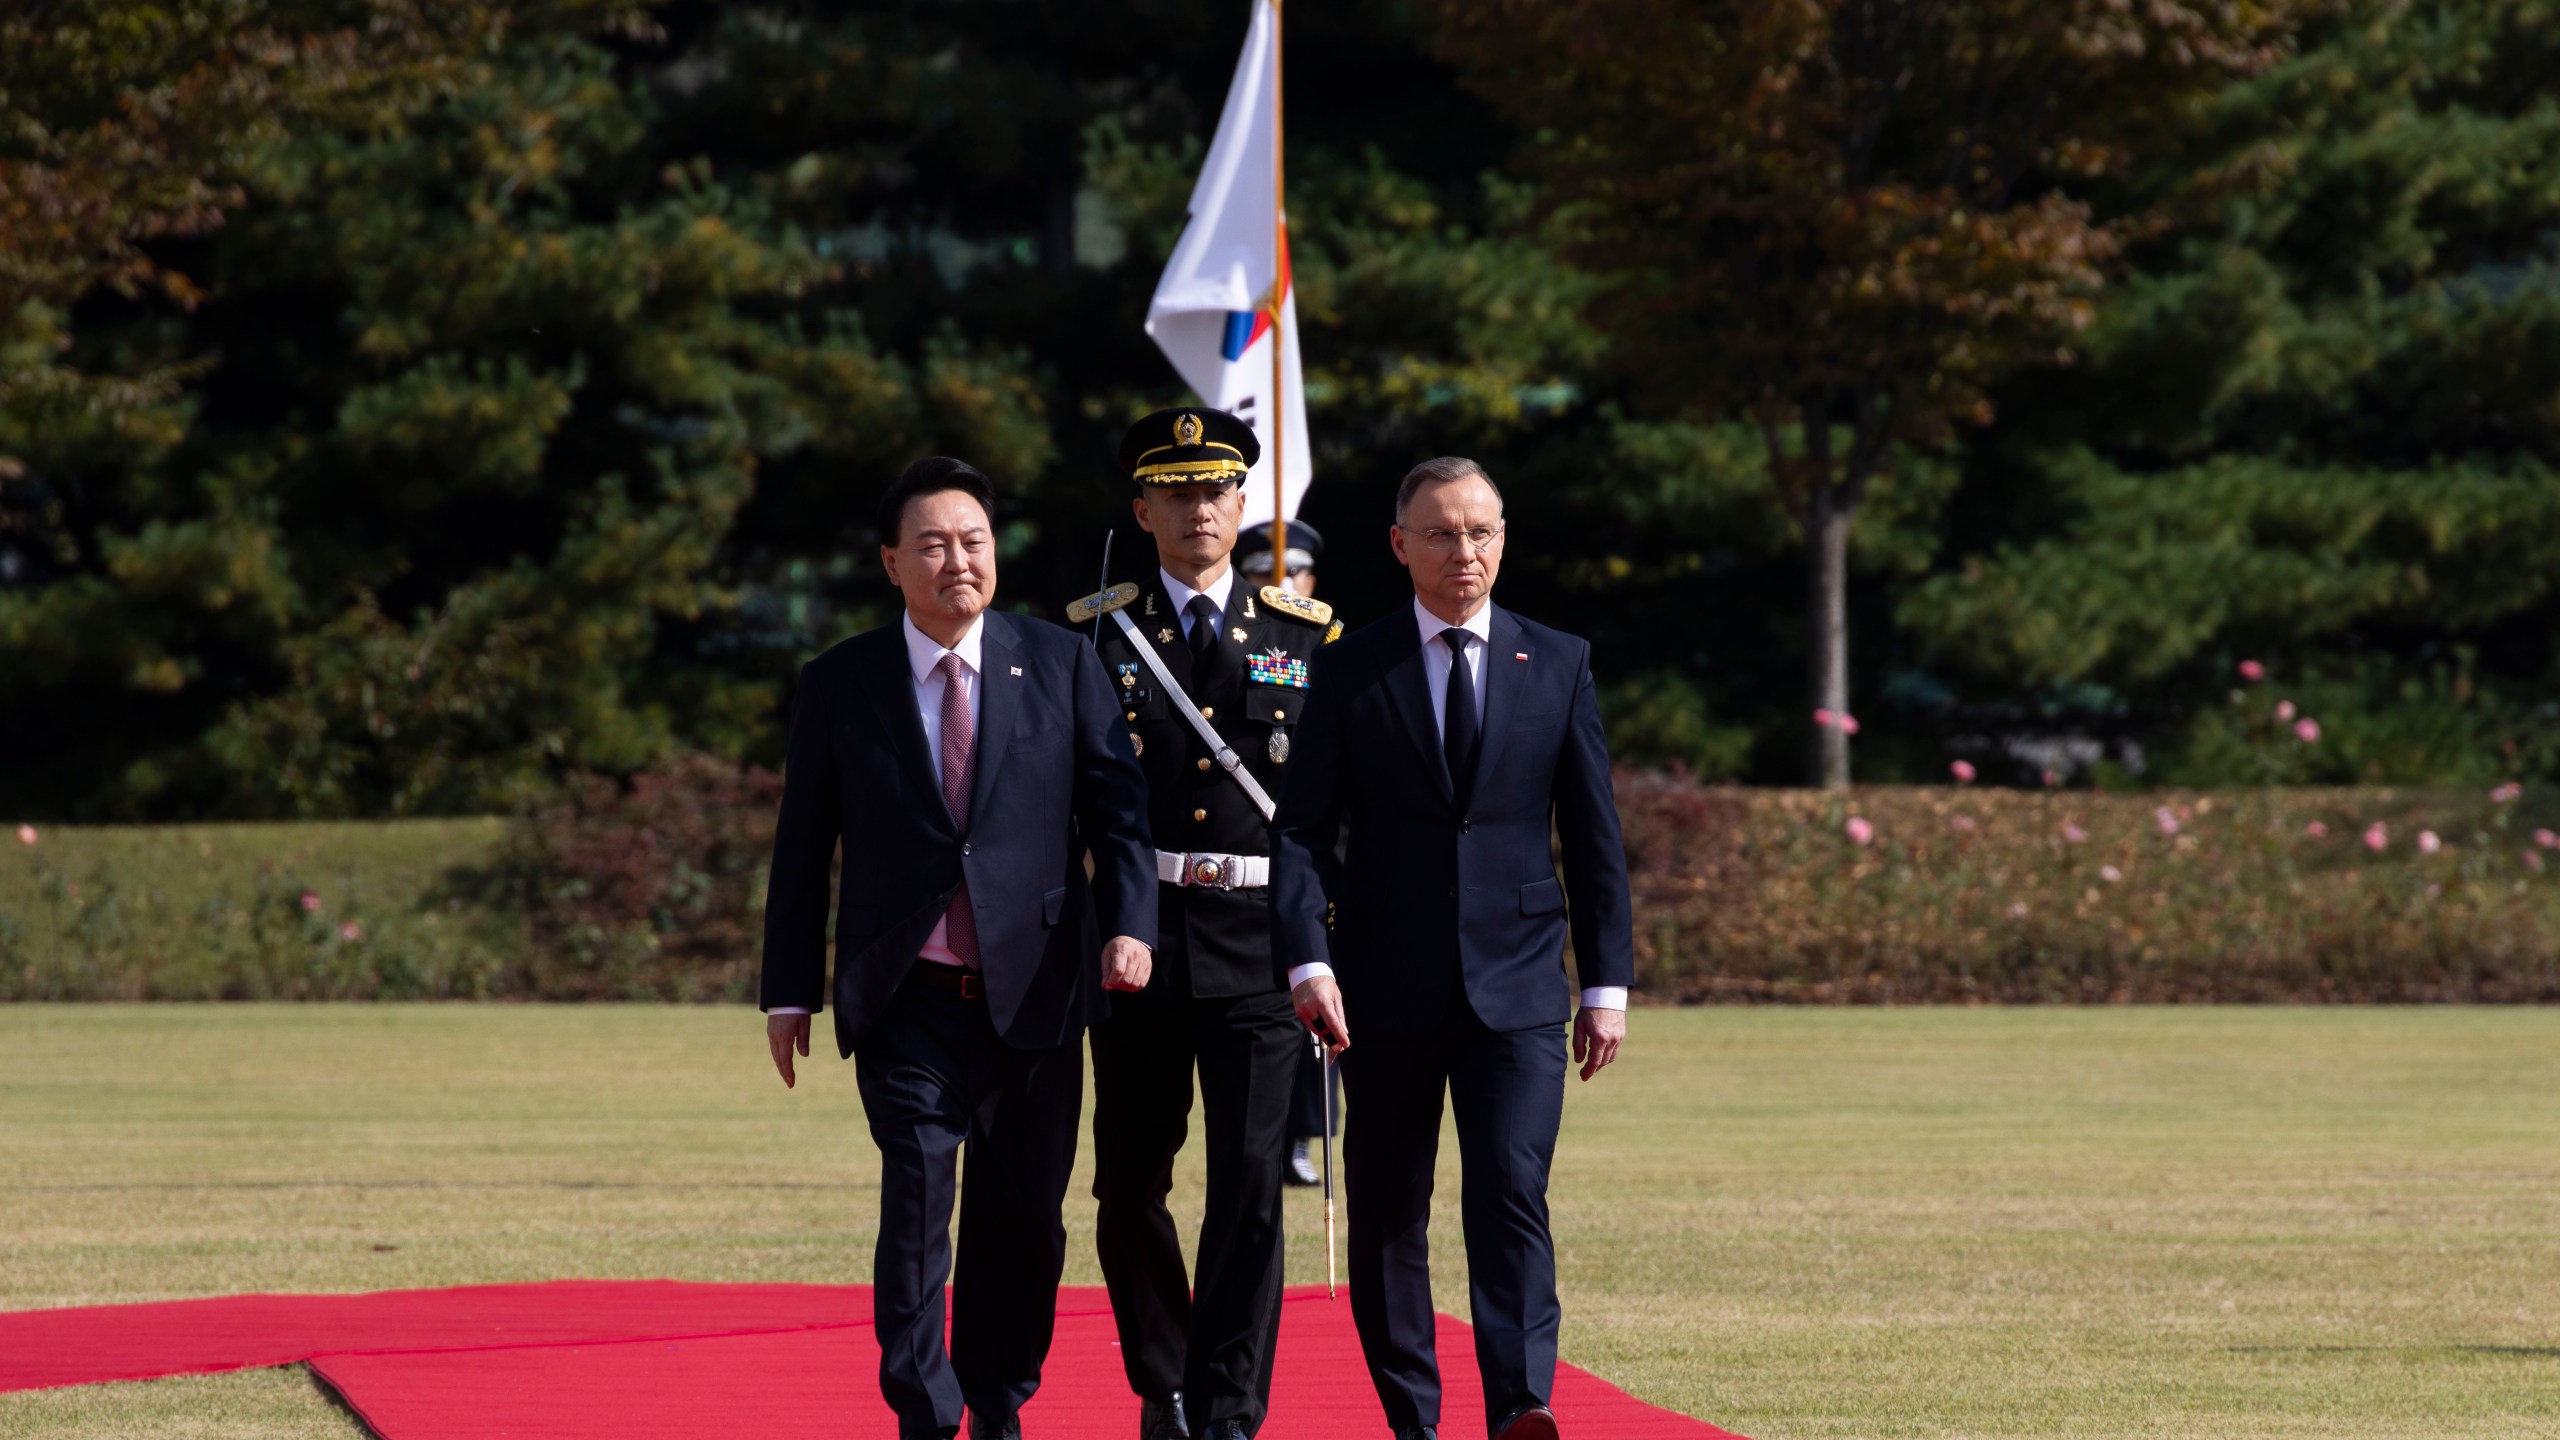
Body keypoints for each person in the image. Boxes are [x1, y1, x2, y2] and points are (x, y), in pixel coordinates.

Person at [760, 456, 1157, 1440]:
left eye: (972, 541)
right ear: (893, 563)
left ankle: (996, 1398)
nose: (956, 561)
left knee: (1026, 1219)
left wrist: (1132, 928)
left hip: (1039, 990)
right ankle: (926, 1412)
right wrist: (786, 992)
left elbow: (1119, 814)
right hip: (908, 993)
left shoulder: (1061, 664)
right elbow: (804, 847)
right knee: (917, 1197)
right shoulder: (841, 682)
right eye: (931, 545)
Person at [1270, 456, 1634, 1440]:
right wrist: (1308, 963)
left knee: (1511, 1190)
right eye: (1440, 533)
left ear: (1503, 538)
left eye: (1480, 531)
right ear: (1399, 547)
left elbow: (1593, 836)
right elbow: (1301, 832)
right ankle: (1413, 1420)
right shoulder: (1351, 667)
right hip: (1380, 989)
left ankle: (1521, 1405)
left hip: (1518, 987)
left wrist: (1606, 984)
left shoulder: (1556, 661)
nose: (1463, 551)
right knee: (1389, 1213)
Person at [1077, 409, 1339, 1440]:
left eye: (1217, 489)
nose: (1199, 509)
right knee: (1127, 1183)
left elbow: (1323, 808)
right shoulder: (1098, 633)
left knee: (1250, 1187)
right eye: (1176, 491)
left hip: (1259, 940)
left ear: (1244, 504)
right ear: (1143, 509)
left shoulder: (1302, 634)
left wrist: (1323, 941)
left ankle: (1229, 1407)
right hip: (1134, 941)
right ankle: (1165, 1381)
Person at [1234, 517, 1338, 1189]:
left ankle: (1309, 1134)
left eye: (1295, 571)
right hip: (1231, 870)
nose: (1281, 581)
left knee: (1315, 1031)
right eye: (1266, 571)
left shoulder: (1322, 646)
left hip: (1297, 877)